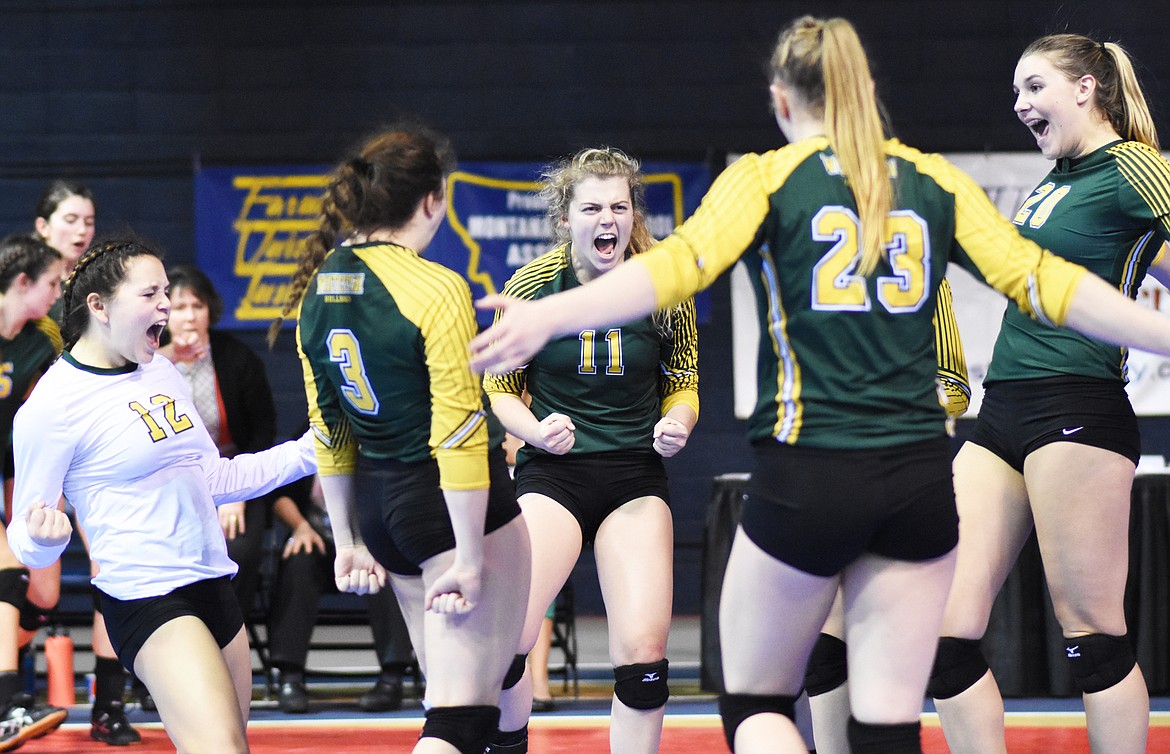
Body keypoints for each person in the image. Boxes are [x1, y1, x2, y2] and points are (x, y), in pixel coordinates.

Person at [470, 15, 1170, 754]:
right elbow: (1046, 284)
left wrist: (553, 317)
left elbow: (673, 270)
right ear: (867, 91)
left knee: (755, 701)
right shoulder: (931, 178)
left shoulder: (767, 177)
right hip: (918, 478)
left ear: (780, 101)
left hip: (812, 470)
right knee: (889, 715)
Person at [927, 34, 1170, 754]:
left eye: (1034, 87)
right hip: (1001, 406)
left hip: (1077, 405)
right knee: (943, 629)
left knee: (1092, 635)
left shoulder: (1129, 163)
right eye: (1015, 93)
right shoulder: (1056, 179)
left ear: (1086, 89)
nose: (1019, 105)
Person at [5, 238, 317, 753]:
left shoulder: (161, 371)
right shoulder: (52, 406)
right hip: (147, 597)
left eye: (166, 292)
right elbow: (26, 535)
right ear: (99, 306)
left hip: (214, 583)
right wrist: (44, 538)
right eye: (151, 293)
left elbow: (213, 479)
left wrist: (312, 451)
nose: (167, 306)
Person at [279, 123, 530, 754]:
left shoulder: (318, 289)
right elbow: (459, 432)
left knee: (469, 687)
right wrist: (470, 555)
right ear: (432, 199)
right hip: (446, 504)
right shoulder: (434, 287)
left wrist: (348, 542)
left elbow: (328, 432)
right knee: (460, 716)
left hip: (380, 506)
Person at [482, 146, 699, 754]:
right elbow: (499, 390)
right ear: (566, 218)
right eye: (594, 208)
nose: (608, 220)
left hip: (633, 476)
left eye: (620, 207)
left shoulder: (662, 284)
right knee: (506, 643)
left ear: (633, 215)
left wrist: (678, 422)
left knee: (643, 655)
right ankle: (509, 743)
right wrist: (534, 430)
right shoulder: (532, 284)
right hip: (554, 476)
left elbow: (684, 381)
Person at [805, 278, 970, 754]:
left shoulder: (920, 266)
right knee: (821, 655)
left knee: (915, 660)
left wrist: (888, 408)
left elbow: (955, 387)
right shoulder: (812, 262)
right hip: (829, 475)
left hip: (903, 479)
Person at [31, 180, 138, 745]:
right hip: (37, 454)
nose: (82, 230)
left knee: (110, 571)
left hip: (100, 453)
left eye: (89, 220)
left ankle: (109, 704)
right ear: (43, 226)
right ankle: (17, 694)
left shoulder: (105, 286)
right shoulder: (25, 289)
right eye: (70, 219)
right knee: (37, 584)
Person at [159, 265, 278, 627]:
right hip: (170, 481)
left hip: (232, 473)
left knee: (237, 546)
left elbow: (263, 430)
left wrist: (236, 491)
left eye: (197, 306)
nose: (189, 317)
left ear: (210, 310)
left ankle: (226, 633)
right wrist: (167, 357)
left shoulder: (236, 358)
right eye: (179, 308)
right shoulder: (148, 363)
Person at [263, 471, 415, 715]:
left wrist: (376, 540)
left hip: (370, 540)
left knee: (388, 566)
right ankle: (290, 677)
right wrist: (301, 527)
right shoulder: (310, 442)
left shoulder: (374, 444)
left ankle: (392, 679)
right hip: (318, 540)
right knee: (298, 561)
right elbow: (282, 494)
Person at [0, 233, 68, 751]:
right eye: (51, 282)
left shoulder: (45, 336)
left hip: (10, 468)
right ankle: (7, 706)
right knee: (6, 570)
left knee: (41, 594)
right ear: (23, 283)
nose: (57, 291)